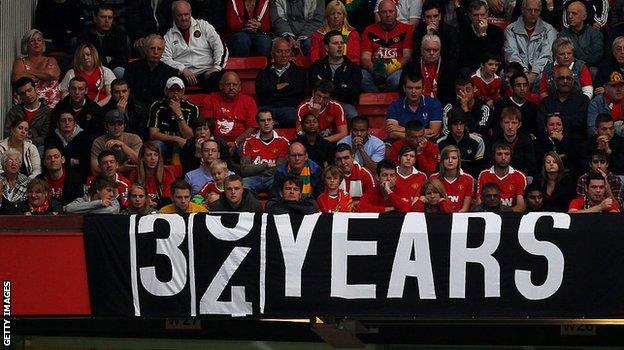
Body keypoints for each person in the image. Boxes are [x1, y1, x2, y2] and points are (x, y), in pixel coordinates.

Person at [162, 0, 228, 92]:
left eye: (186, 14)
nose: (184, 18)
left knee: (222, 78)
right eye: (180, 15)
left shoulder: (204, 26)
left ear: (191, 13)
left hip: (206, 72)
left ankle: (213, 105)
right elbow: (164, 58)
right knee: (168, 80)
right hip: (182, 75)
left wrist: (216, 67)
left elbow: (220, 46)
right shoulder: (168, 35)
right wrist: (183, 69)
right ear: (173, 16)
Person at [360, 0, 413, 92]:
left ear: (397, 12)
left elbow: (407, 56)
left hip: (395, 70)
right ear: (379, 14)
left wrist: (391, 69)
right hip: (374, 70)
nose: (388, 15)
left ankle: (384, 98)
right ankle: (377, 97)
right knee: (361, 77)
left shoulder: (407, 29)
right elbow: (365, 58)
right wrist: (375, 69)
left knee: (396, 80)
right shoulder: (369, 30)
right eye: (384, 12)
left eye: (391, 11)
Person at [308, 30, 362, 120]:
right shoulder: (317, 66)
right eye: (335, 43)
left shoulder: (353, 68)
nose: (340, 46)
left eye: (341, 43)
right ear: (326, 47)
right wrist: (341, 87)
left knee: (353, 116)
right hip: (321, 103)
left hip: (344, 104)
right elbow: (315, 87)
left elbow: (353, 92)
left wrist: (328, 90)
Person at [504, 0, 558, 87]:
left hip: (540, 71)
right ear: (522, 10)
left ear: (540, 11)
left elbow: (547, 55)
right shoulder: (510, 29)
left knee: (548, 76)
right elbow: (511, 54)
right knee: (505, 74)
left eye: (536, 10)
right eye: (529, 10)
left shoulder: (548, 29)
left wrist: (534, 72)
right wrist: (524, 71)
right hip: (518, 71)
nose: (533, 13)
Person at [198, 71, 258, 149]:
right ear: (221, 85)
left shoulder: (249, 101)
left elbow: (251, 127)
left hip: (241, 143)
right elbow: (206, 126)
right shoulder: (209, 99)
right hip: (215, 142)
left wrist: (236, 143)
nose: (231, 87)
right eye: (228, 84)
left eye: (235, 85)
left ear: (239, 87)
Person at [256, 38, 306, 127]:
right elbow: (261, 92)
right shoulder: (263, 73)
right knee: (260, 116)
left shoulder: (299, 72)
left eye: (287, 51)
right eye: (279, 52)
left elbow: (298, 92)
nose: (283, 55)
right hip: (267, 109)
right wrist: (278, 87)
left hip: (289, 110)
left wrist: (271, 90)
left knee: (292, 116)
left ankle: (275, 124)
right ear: (272, 54)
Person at [240, 110, 289, 195]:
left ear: (273, 122)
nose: (266, 123)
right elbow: (244, 170)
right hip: (252, 178)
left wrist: (254, 169)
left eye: (269, 120)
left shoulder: (283, 142)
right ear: (258, 123)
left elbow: (279, 170)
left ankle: (275, 208)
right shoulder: (249, 141)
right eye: (262, 120)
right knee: (244, 184)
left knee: (281, 183)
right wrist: (265, 166)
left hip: (273, 178)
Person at [148, 77, 198, 159]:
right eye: (172, 90)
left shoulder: (191, 108)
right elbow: (153, 135)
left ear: (183, 92)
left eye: (178, 90)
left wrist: (178, 113)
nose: (175, 93)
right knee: (156, 145)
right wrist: (176, 139)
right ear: (166, 91)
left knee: (194, 145)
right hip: (164, 144)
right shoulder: (157, 106)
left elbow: (190, 136)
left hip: (184, 145)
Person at [123, 34, 179, 107]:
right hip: (136, 109)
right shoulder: (132, 68)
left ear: (162, 52)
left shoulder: (171, 72)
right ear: (146, 50)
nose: (156, 52)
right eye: (152, 48)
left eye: (159, 49)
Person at [537, 66, 590, 143]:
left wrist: (554, 124)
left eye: (568, 78)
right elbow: (541, 125)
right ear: (555, 82)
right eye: (561, 78)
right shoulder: (546, 102)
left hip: (576, 143)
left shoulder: (583, 100)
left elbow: (581, 124)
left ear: (573, 81)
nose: (565, 81)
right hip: (550, 142)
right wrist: (568, 121)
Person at [11, 29, 62, 108]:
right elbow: (17, 78)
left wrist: (27, 72)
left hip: (51, 106)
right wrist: (44, 75)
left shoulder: (50, 60)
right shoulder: (20, 62)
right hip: (25, 106)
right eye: (32, 41)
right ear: (26, 45)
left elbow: (52, 74)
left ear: (43, 44)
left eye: (39, 40)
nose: (36, 42)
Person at [387, 72, 443, 140]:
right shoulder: (394, 105)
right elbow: (392, 133)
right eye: (410, 88)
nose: (413, 91)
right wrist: (421, 134)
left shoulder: (434, 104)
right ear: (404, 88)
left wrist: (401, 129)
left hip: (427, 144)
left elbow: (433, 132)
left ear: (423, 89)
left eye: (417, 88)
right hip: (403, 146)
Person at [77, 5, 130, 77]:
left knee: (120, 71)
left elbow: (121, 58)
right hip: (90, 67)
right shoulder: (86, 33)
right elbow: (82, 56)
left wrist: (103, 62)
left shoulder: (119, 33)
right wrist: (107, 59)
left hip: (112, 67)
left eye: (110, 17)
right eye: (103, 17)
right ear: (95, 18)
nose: (107, 21)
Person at [400, 34, 456, 103]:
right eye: (428, 50)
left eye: (435, 50)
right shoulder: (410, 67)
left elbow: (451, 95)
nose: (431, 53)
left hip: (441, 106)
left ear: (440, 50)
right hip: (416, 106)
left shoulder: (449, 68)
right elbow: (402, 92)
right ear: (421, 50)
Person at [477, 143, 528, 212]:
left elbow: (520, 206)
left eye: (507, 154)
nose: (503, 158)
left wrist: (504, 216)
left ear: (510, 156)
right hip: (488, 215)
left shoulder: (519, 176)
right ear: (494, 156)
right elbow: (479, 202)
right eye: (499, 154)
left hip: (511, 216)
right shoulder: (484, 175)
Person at [91, 109, 142, 176]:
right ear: (106, 126)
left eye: (120, 124)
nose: (116, 127)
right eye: (112, 124)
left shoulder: (134, 139)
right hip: (107, 180)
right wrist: (120, 169)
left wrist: (123, 145)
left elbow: (140, 162)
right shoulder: (99, 142)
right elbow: (95, 169)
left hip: (132, 178)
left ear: (124, 125)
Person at [51, 76, 104, 141]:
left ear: (86, 90)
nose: (77, 92)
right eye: (73, 88)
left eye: (81, 89)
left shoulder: (95, 109)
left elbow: (99, 134)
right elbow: (53, 131)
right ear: (69, 89)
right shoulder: (59, 108)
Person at [457, 0, 505, 71]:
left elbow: (494, 55)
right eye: (476, 15)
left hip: (492, 67)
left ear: (487, 14)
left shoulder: (497, 31)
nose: (479, 19)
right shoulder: (463, 32)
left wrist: (483, 34)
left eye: (482, 15)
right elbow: (465, 58)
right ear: (470, 16)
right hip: (471, 68)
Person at [489, 107, 537, 177]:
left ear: (519, 125)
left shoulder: (526, 141)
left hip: (520, 177)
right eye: (506, 122)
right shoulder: (494, 141)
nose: (510, 126)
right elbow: (490, 163)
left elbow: (531, 166)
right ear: (501, 124)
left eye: (514, 123)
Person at [436, 108, 485, 177]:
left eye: (461, 124)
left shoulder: (477, 142)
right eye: (455, 124)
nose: (459, 128)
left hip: (470, 181)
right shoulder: (440, 143)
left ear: (465, 125)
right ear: (450, 126)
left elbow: (480, 167)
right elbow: (439, 168)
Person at [5, 77, 52, 148]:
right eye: (23, 93)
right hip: (16, 146)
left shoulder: (47, 112)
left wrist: (28, 143)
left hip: (39, 147)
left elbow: (46, 136)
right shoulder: (14, 112)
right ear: (20, 96)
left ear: (35, 89)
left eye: (29, 90)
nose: (27, 95)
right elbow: (7, 133)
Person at [44, 111, 92, 181]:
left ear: (75, 123)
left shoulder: (84, 138)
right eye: (63, 120)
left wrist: (63, 161)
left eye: (70, 120)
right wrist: (72, 161)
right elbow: (49, 160)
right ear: (58, 124)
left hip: (80, 177)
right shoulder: (51, 138)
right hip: (55, 176)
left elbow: (85, 162)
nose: (67, 123)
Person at [411, 0, 459, 69]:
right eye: (428, 17)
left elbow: (453, 57)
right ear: (423, 18)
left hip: (445, 69)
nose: (432, 20)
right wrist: (428, 37)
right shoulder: (418, 33)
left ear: (440, 17)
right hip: (423, 69)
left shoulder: (450, 31)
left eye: (435, 16)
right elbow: (416, 57)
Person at [310, 1, 360, 65]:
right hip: (323, 69)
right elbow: (314, 59)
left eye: (339, 13)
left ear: (344, 16)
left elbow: (355, 59)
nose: (336, 16)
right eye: (332, 13)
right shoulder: (318, 35)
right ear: (327, 16)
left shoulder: (352, 34)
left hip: (347, 70)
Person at [129, 141, 176, 209]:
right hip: (141, 210)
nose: (153, 158)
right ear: (142, 158)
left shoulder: (167, 173)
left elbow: (169, 199)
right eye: (149, 155)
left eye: (156, 155)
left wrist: (155, 203)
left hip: (162, 210)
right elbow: (132, 197)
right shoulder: (135, 174)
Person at [557, 1, 603, 68]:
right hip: (567, 68)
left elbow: (596, 58)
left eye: (574, 13)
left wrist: (577, 62)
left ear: (584, 16)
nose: (570, 16)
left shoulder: (595, 34)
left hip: (589, 67)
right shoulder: (562, 35)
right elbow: (561, 57)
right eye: (568, 13)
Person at [492, 72, 539, 136]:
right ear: (511, 88)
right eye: (518, 85)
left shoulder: (533, 107)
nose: (522, 88)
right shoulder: (501, 105)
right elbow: (496, 128)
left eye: (525, 85)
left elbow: (536, 130)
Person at [430, 145, 475, 212]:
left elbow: (465, 209)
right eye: (446, 158)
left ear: (458, 160)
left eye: (454, 158)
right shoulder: (433, 178)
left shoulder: (468, 179)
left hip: (459, 217)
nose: (450, 161)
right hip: (438, 216)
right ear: (442, 160)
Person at [587, 72, 624, 137]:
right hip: (603, 141)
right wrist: (619, 129)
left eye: (621, 86)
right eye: (614, 86)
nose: (619, 89)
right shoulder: (595, 103)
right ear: (606, 89)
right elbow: (592, 130)